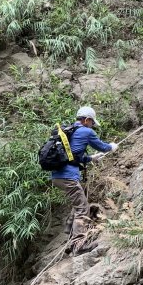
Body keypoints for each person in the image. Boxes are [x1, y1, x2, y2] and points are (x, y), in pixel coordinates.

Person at [49, 106, 118, 250]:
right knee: (82, 208)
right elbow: (102, 146)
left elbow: (73, 156)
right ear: (87, 120)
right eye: (92, 123)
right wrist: (111, 147)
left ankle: (70, 238)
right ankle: (78, 244)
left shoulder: (71, 131)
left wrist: (91, 158)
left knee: (79, 204)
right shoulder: (86, 131)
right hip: (68, 177)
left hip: (58, 177)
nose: (93, 126)